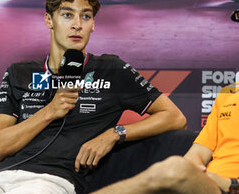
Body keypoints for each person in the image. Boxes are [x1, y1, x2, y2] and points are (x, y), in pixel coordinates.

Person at [0, 0, 186, 194]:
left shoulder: (111, 69)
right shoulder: (20, 72)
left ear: (93, 24)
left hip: (52, 181)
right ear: (49, 20)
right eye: (67, 15)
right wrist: (49, 111)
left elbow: (175, 117)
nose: (77, 25)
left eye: (85, 16)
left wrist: (115, 133)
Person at [92, 82, 239, 194]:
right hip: (209, 184)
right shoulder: (229, 92)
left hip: (230, 185)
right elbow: (198, 154)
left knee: (173, 169)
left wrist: (231, 183)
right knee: (176, 171)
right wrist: (196, 175)